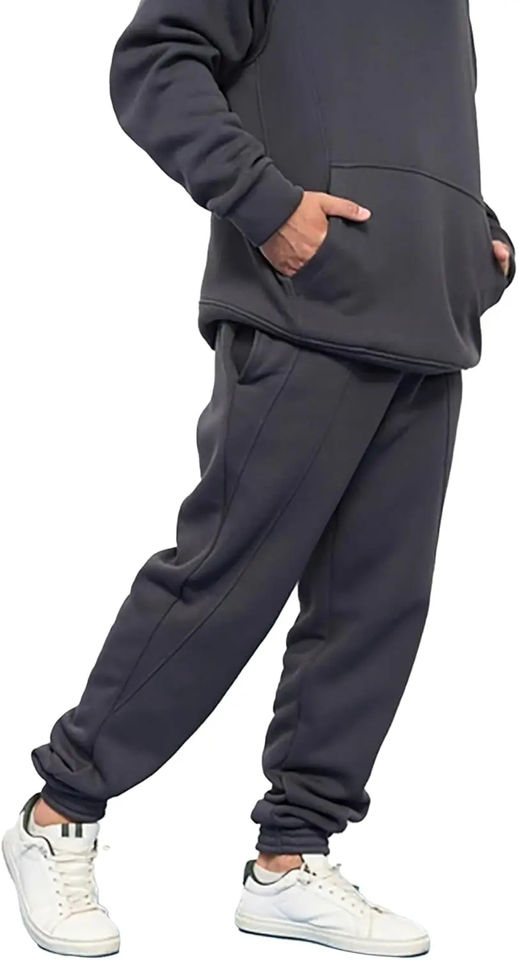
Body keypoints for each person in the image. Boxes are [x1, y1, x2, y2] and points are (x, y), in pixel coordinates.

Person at [3, 1, 514, 957]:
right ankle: (58, 812)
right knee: (224, 583)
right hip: (302, 308)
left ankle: (291, 858)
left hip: (429, 320)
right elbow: (155, 60)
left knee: (376, 606)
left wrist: (474, 235)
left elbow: (415, 120)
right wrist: (265, 203)